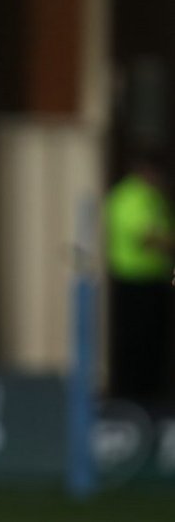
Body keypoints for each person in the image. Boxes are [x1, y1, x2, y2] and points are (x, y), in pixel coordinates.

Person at [107, 158, 173, 406]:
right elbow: (146, 237)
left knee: (154, 344)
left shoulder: (153, 197)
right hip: (134, 282)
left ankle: (151, 396)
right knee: (136, 344)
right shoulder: (131, 197)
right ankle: (132, 400)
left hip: (155, 280)